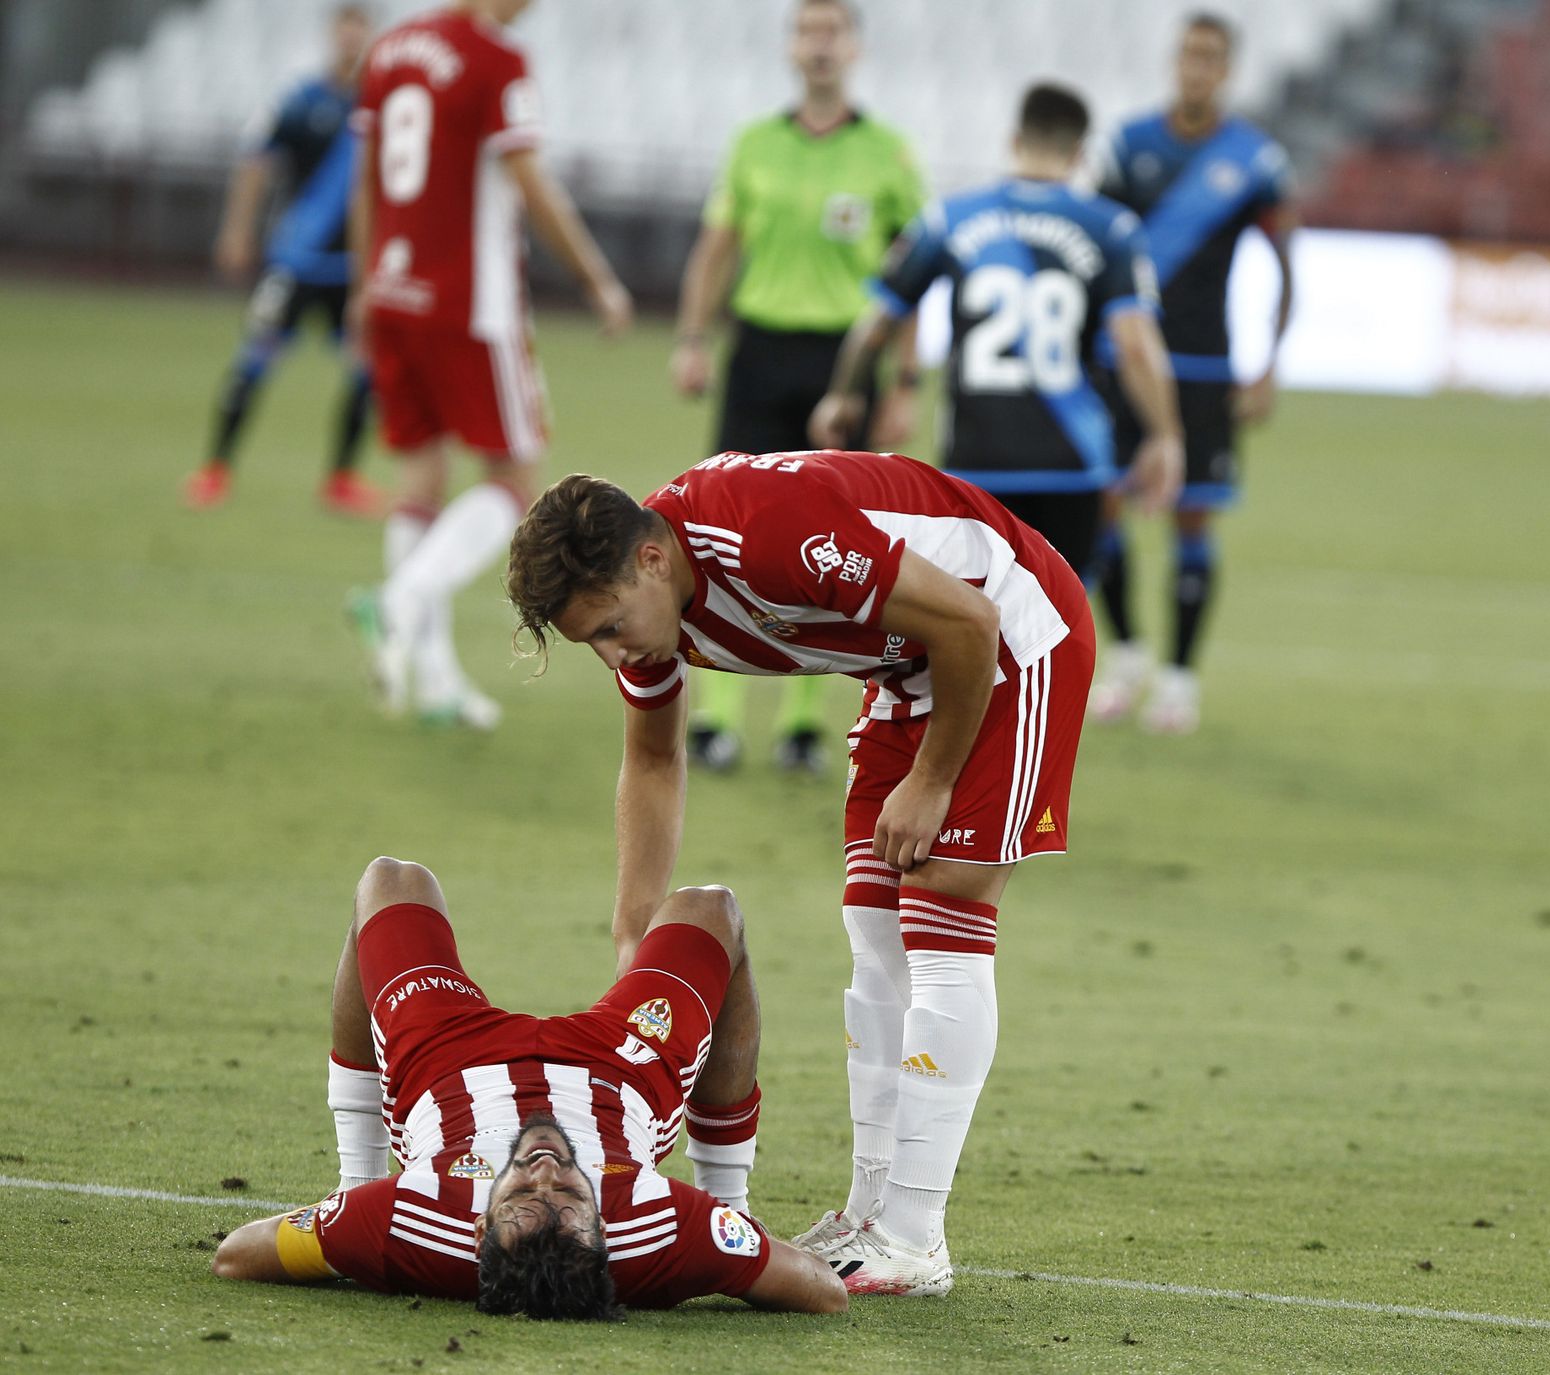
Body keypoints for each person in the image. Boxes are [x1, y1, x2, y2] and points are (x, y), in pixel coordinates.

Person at [506, 450, 1095, 1297]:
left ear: (651, 559)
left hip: (1009, 635)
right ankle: (869, 1214)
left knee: (942, 914)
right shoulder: (652, 607)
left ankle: (915, 1232)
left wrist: (931, 780)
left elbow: (969, 619)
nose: (611, 654)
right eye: (588, 640)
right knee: (874, 929)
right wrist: (635, 926)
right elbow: (654, 756)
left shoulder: (763, 533)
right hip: (907, 671)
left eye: (607, 627)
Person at [213, 856, 846, 1317]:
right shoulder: (661, 1231)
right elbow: (823, 1289)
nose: (544, 1171)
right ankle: (733, 1192)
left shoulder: (409, 1218)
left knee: (391, 882)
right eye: (571, 1199)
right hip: (618, 1067)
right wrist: (730, 1233)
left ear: (480, 1229)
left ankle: (353, 1175)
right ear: (603, 1232)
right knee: (712, 908)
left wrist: (348, 1221)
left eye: (519, 1198)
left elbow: (237, 1255)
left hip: (448, 1060)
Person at [345, 0, 633, 730]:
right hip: (471, 302)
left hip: (392, 287)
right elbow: (530, 180)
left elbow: (367, 178)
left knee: (421, 475)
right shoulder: (496, 58)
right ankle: (402, 595)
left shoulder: (390, 49)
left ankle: (433, 677)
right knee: (513, 478)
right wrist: (596, 276)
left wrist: (363, 282)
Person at [669, 0, 925, 775]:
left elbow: (914, 275)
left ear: (854, 49)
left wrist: (906, 380)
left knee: (834, 540)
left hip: (844, 362)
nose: (819, 45)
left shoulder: (888, 153)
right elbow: (717, 248)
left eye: (832, 32)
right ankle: (715, 715)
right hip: (759, 350)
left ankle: (807, 722)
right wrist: (691, 336)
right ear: (791, 46)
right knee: (722, 533)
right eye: (807, 31)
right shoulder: (755, 144)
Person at [811, 83, 1183, 578]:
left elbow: (877, 323)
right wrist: (1164, 434)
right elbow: (1135, 345)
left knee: (972, 620)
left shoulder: (950, 219)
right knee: (1059, 625)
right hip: (1072, 461)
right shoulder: (1111, 229)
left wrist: (844, 393)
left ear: (1014, 141)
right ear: (1078, 153)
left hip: (975, 459)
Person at [1090, 11, 1297, 734]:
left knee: (1193, 513)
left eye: (1211, 57)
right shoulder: (1129, 146)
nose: (1197, 68)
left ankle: (1179, 678)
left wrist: (1268, 363)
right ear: (1176, 63)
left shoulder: (1254, 160)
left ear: (1227, 68)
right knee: (1105, 505)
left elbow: (1284, 265)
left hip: (1207, 363)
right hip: (1126, 357)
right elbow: (1101, 252)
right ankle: (1127, 655)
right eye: (1188, 55)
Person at [184, 4, 386, 518]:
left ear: (370, 37)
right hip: (297, 261)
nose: (351, 37)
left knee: (368, 372)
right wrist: (237, 230)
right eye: (345, 26)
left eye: (360, 28)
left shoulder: (379, 106)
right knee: (253, 362)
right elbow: (256, 162)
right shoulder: (300, 101)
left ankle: (341, 478)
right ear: (331, 34)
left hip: (352, 269)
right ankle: (216, 468)